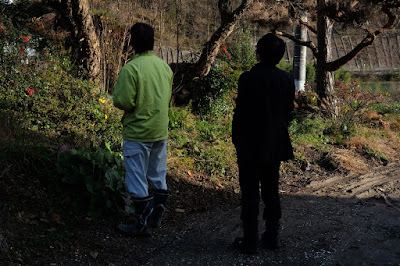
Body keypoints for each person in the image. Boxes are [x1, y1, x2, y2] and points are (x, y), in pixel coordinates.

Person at [231, 33, 295, 254]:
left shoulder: (247, 78)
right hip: (274, 144)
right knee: (271, 191)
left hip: (249, 144)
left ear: (258, 52)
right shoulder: (286, 79)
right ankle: (273, 237)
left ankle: (250, 241)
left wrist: (236, 138)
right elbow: (289, 112)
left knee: (249, 194)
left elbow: (240, 114)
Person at [113, 22, 173, 237]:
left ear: (132, 42)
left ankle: (141, 223)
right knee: (158, 174)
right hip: (160, 130)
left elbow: (123, 101)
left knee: (136, 179)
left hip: (138, 132)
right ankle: (157, 215)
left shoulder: (131, 68)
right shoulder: (164, 66)